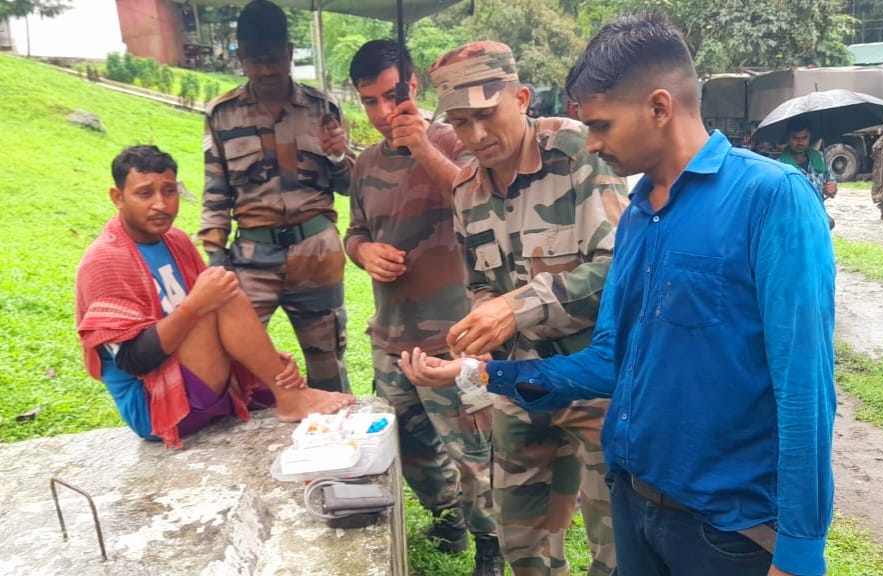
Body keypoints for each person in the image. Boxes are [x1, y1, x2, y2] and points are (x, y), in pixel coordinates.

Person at [402, 14, 836, 576]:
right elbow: (612, 360)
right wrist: (480, 374)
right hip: (637, 503)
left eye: (602, 125)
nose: (595, 142)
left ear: (659, 108)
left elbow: (803, 386)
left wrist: (801, 552)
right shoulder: (639, 215)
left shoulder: (770, 199)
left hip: (724, 527)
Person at [404, 41, 629, 576]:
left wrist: (516, 309)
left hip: (595, 381)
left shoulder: (579, 154)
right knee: (523, 545)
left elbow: (619, 270)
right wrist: (476, 341)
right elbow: (480, 283)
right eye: (460, 123)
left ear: (521, 97)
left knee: (618, 546)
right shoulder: (465, 189)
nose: (475, 136)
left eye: (486, 115)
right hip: (519, 382)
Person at [343, 40, 501, 576]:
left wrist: (422, 149)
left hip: (453, 337)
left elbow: (475, 200)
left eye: (391, 96)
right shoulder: (364, 164)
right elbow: (355, 231)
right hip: (391, 336)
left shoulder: (456, 143)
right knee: (411, 450)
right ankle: (448, 519)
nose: (383, 113)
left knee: (474, 453)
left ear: (413, 87)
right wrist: (364, 252)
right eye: (370, 102)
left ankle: (491, 543)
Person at [76, 145, 355, 448]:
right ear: (118, 198)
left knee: (221, 290)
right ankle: (289, 397)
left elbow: (213, 324)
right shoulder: (104, 261)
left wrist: (266, 362)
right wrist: (194, 306)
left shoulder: (176, 241)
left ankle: (285, 390)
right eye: (145, 194)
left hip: (193, 375)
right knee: (219, 294)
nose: (161, 204)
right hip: (155, 406)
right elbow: (133, 361)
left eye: (169, 191)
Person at [200, 0, 352, 392]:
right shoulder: (222, 114)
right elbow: (215, 193)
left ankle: (337, 444)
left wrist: (338, 154)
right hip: (252, 260)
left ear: (288, 53)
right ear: (241, 58)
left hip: (316, 256)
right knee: (235, 361)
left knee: (327, 366)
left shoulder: (322, 108)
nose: (265, 69)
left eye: (272, 58)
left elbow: (350, 185)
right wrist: (217, 263)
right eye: (254, 60)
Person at [778, 118, 837, 229]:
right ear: (787, 139)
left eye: (804, 138)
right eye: (795, 138)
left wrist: (832, 189)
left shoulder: (820, 159)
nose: (800, 142)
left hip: (817, 213)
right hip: (793, 220)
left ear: (810, 137)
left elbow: (832, 188)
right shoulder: (780, 166)